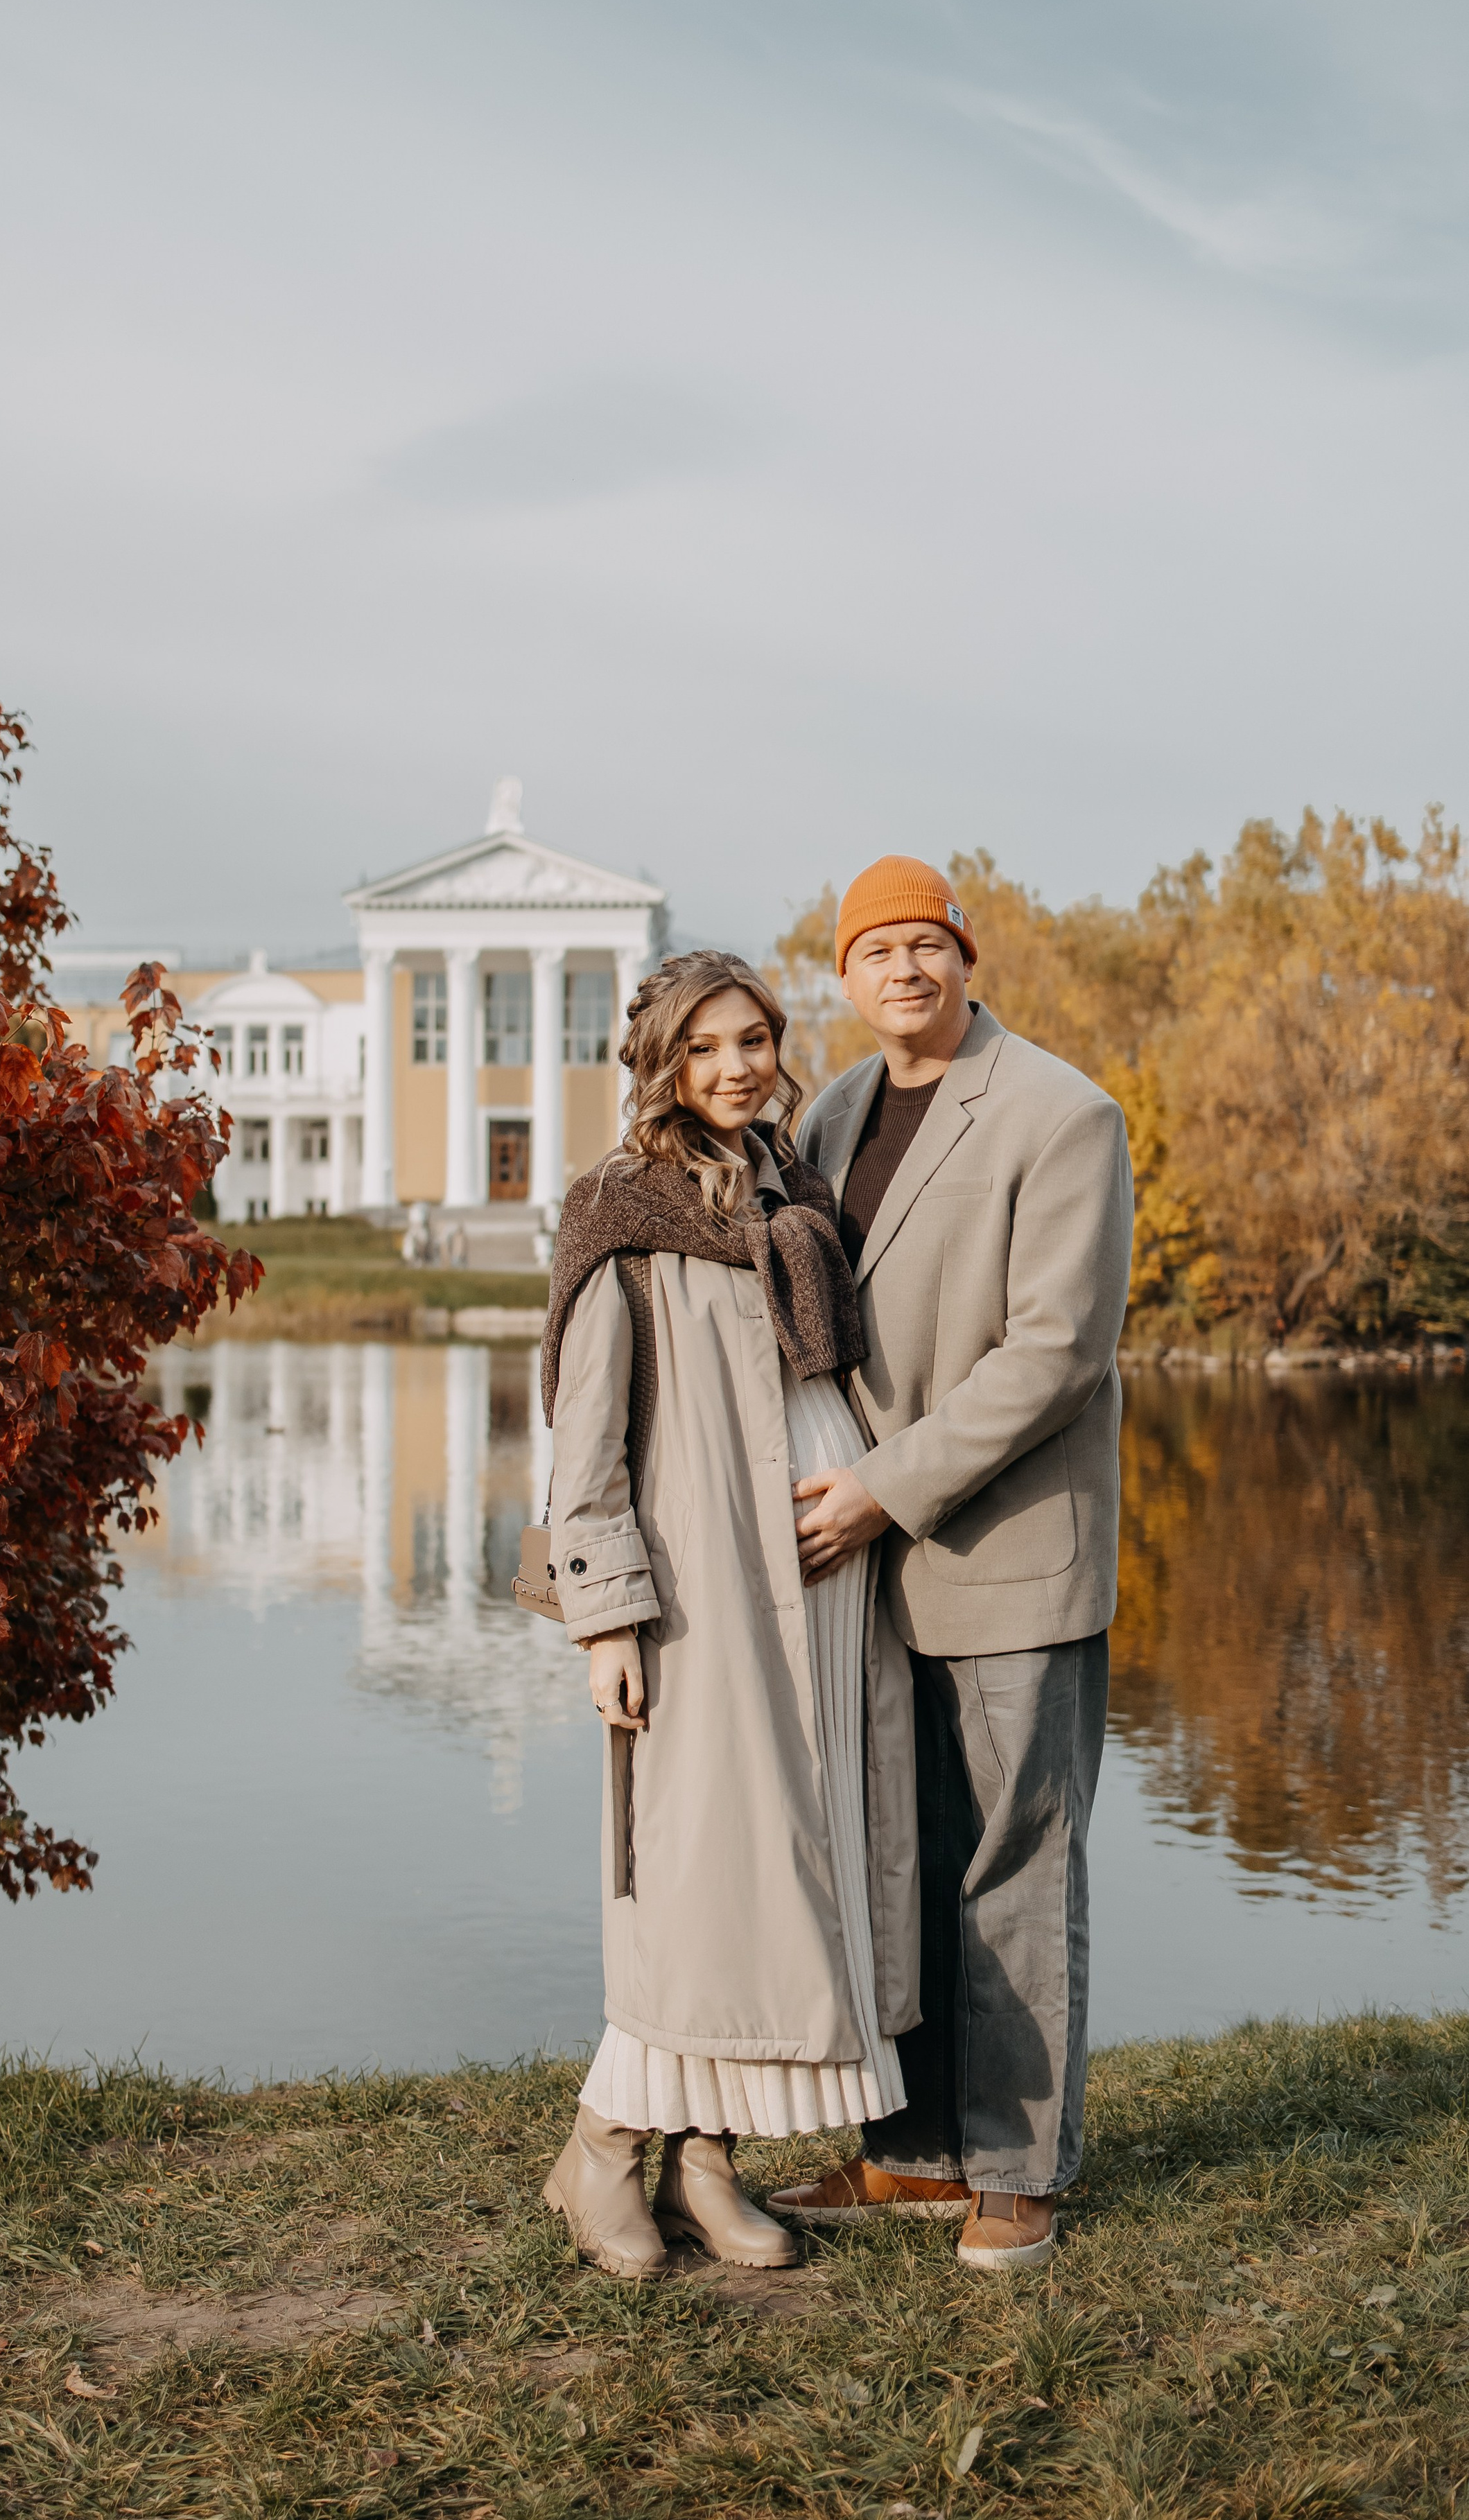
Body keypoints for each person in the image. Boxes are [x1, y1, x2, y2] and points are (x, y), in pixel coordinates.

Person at [770, 856, 1133, 2271]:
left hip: (1001, 1550)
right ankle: (912, 2153)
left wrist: (879, 1489)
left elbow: (1053, 1353)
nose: (904, 972)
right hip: (870, 1565)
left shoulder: (1059, 1110)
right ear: (845, 977)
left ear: (964, 959)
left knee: (1013, 1864)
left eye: (927, 946)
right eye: (876, 953)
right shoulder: (835, 1107)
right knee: (898, 1862)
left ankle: (1020, 2169)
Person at [537, 951, 921, 2280]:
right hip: (704, 1594)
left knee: (783, 1884)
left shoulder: (794, 1193)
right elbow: (584, 1446)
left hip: (825, 1583)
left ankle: (708, 2161)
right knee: (701, 1887)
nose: (738, 1067)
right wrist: (606, 1623)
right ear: (662, 1065)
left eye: (754, 1039)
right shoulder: (618, 1212)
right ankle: (601, 2150)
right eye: (704, 1049)